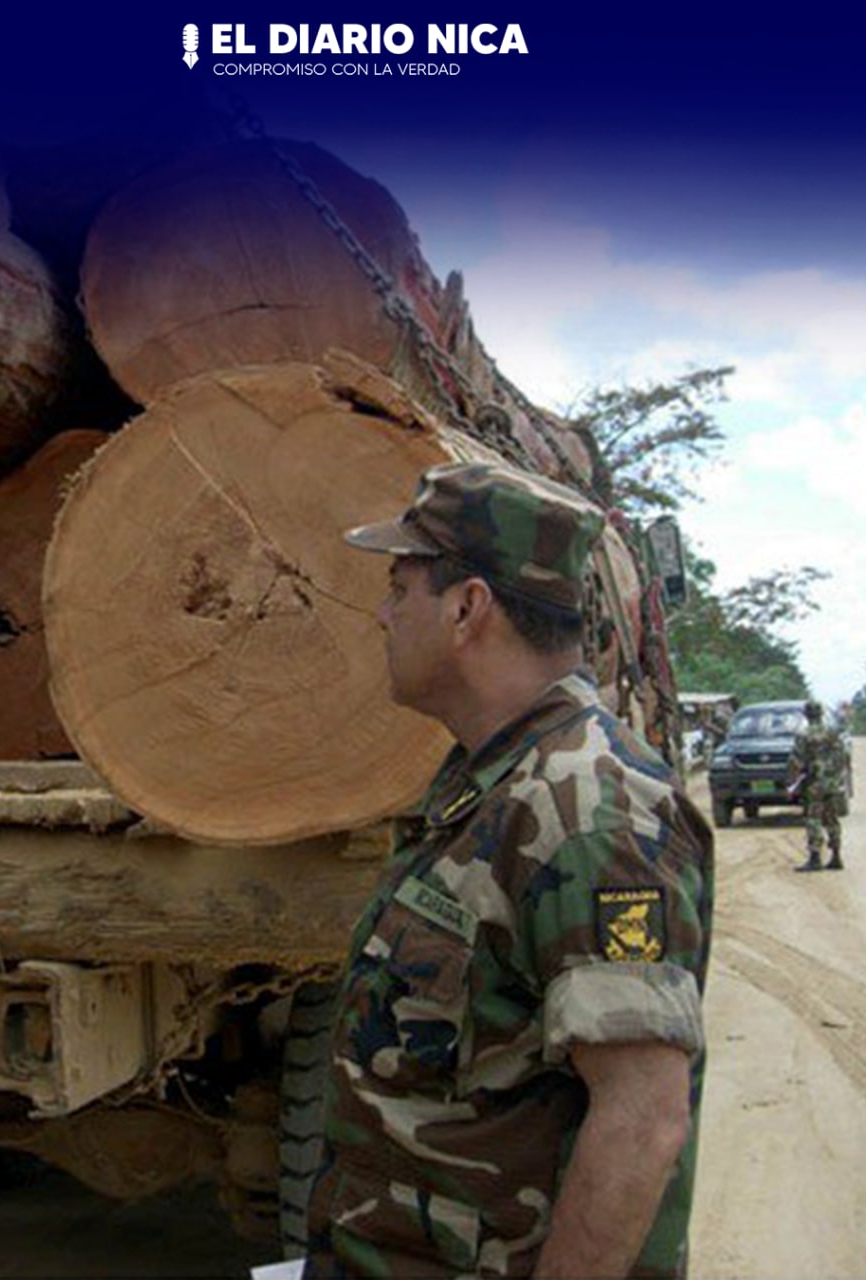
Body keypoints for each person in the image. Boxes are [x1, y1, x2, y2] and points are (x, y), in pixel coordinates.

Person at [304, 462, 714, 1279]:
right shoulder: (494, 777)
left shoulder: (592, 809)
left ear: (466, 609)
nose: (381, 614)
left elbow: (641, 1120)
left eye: (399, 586)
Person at [789, 699, 846, 872]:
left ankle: (815, 858)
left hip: (814, 783)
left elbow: (796, 761)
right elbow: (842, 756)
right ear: (821, 714)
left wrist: (792, 781)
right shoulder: (832, 732)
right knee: (831, 818)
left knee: (813, 818)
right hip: (832, 782)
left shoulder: (804, 734)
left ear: (806, 715)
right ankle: (836, 856)